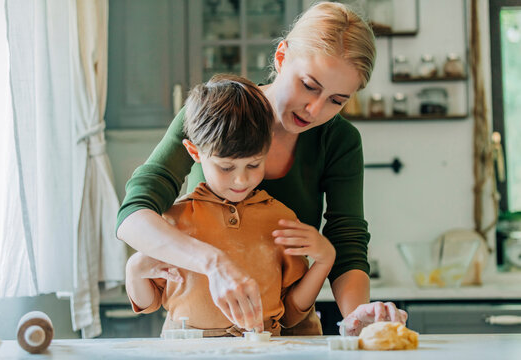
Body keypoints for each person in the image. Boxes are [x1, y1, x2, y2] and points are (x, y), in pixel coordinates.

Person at [117, 1, 407, 336]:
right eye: (309, 85)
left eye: (336, 100)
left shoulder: (340, 140)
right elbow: (134, 212)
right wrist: (213, 263)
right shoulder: (213, 115)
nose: (314, 110)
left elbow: (347, 240)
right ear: (281, 57)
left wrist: (359, 314)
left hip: (290, 330)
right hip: (202, 336)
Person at [125, 74, 334, 336]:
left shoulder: (281, 219)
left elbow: (291, 314)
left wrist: (325, 259)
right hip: (187, 352)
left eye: (254, 164)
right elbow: (149, 304)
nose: (241, 179)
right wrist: (134, 271)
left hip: (261, 352)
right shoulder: (173, 222)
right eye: (226, 167)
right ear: (194, 152)